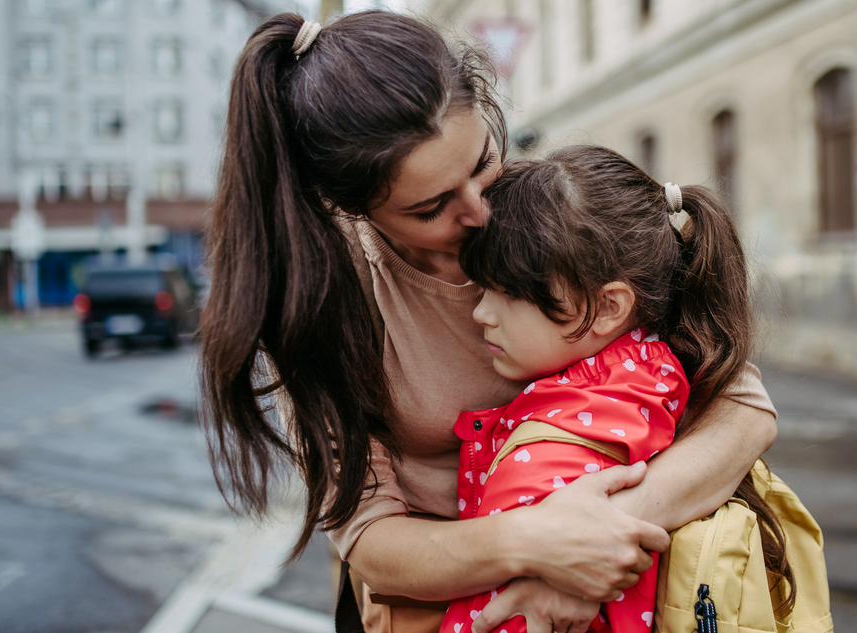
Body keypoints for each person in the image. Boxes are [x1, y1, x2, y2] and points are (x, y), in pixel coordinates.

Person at [199, 11, 778, 633]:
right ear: (352, 207)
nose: (479, 212)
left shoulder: (549, 216)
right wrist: (533, 548)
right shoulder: (319, 298)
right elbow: (373, 544)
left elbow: (741, 406)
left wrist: (600, 546)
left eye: (482, 161)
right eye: (432, 207)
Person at [440, 146, 793, 633]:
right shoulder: (657, 372)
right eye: (483, 289)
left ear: (609, 307)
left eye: (512, 293)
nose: (482, 313)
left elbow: (517, 614)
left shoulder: (566, 431)